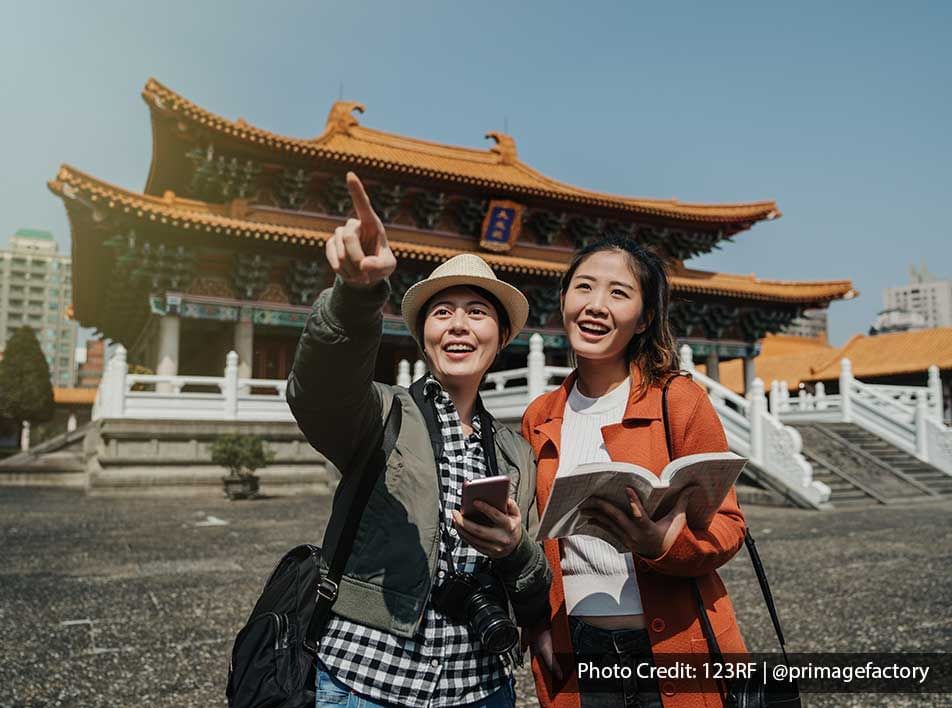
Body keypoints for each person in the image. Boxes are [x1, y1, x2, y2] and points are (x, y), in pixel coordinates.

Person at [286, 172, 551, 708]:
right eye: (442, 312)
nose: (458, 325)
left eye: (477, 313)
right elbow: (319, 392)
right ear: (423, 336)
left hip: (477, 686)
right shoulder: (381, 412)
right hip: (368, 680)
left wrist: (514, 547)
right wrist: (356, 297)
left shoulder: (515, 452)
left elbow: (535, 575)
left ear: (500, 340)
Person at [522, 235, 747, 708]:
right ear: (563, 299)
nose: (596, 305)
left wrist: (663, 544)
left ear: (644, 318)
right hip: (577, 646)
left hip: (671, 643)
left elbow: (729, 525)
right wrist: (537, 622)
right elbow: (533, 540)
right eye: (583, 287)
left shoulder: (679, 401)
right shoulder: (540, 415)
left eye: (618, 293)